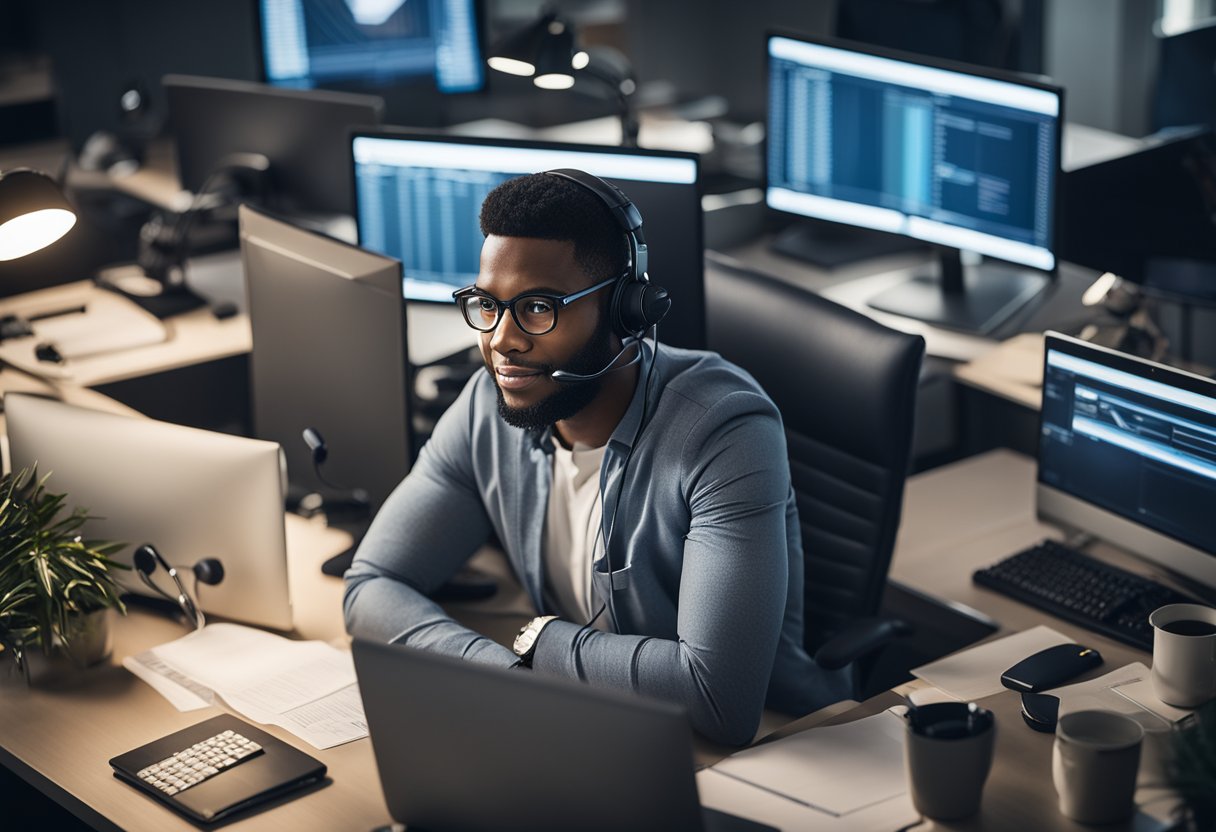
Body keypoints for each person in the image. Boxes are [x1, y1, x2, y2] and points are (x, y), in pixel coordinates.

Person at [343, 170, 847, 746]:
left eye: (536, 308)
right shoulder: (490, 402)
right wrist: (502, 673)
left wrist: (539, 642)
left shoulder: (724, 431)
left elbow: (718, 698)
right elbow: (371, 584)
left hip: (772, 749)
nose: (501, 340)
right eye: (488, 304)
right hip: (586, 722)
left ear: (623, 310)